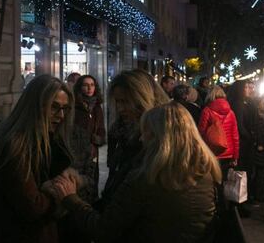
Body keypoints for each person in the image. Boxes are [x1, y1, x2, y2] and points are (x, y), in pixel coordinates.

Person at [53, 102, 222, 242]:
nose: (141, 139)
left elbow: (103, 229)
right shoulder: (206, 173)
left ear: (160, 138)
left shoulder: (147, 178)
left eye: (146, 133)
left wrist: (71, 199)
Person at [0, 75, 75, 243]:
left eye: (65, 109)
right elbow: (34, 206)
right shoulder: (15, 146)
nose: (61, 115)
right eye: (54, 107)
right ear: (35, 106)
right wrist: (63, 195)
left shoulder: (48, 141)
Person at [104, 70, 169, 209]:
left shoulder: (158, 139)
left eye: (126, 102)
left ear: (143, 99)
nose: (121, 109)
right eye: (118, 102)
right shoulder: (124, 132)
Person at [71, 75, 106, 203]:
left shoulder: (97, 107)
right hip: (77, 154)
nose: (89, 88)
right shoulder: (74, 107)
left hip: (92, 153)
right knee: (79, 184)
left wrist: (98, 139)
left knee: (92, 182)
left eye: (92, 85)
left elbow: (101, 129)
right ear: (80, 87)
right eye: (86, 85)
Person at [228, 80, 258, 209]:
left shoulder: (245, 102)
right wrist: (250, 137)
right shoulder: (238, 104)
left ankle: (242, 200)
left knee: (244, 172)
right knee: (242, 172)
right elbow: (239, 126)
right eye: (245, 87)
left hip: (245, 142)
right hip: (243, 143)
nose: (248, 89)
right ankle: (239, 202)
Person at [198, 85, 239, 178]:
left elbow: (201, 133)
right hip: (228, 152)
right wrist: (235, 155)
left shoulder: (207, 111)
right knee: (224, 180)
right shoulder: (231, 112)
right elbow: (235, 136)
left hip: (212, 151)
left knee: (213, 180)